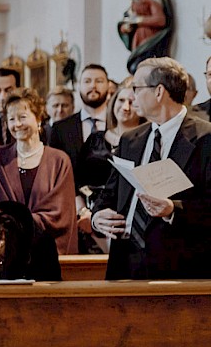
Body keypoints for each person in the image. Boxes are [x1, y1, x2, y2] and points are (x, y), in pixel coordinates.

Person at [91, 57, 211, 280]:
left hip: (179, 267)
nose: (132, 95)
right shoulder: (130, 139)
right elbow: (109, 195)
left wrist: (173, 209)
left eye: (136, 88)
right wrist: (97, 217)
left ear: (158, 92)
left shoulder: (206, 137)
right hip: (125, 263)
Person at [0, 89, 78, 255]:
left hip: (47, 252)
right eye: (11, 119)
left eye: (22, 117)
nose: (17, 124)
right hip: (6, 252)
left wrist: (20, 223)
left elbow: (62, 214)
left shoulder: (59, 160)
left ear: (38, 118)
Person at [76, 78, 146, 247]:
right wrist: (85, 213)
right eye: (121, 100)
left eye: (131, 101)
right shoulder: (95, 138)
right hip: (89, 217)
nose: (125, 107)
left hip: (126, 220)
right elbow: (76, 179)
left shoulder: (146, 142)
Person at [48, 64, 110, 188]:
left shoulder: (119, 124)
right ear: (78, 86)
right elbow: (55, 172)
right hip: (72, 200)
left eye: (99, 81)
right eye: (87, 81)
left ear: (108, 85)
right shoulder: (60, 129)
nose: (93, 85)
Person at [118, 0, 172, 74]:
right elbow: (130, 16)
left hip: (149, 37)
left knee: (146, 69)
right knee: (137, 69)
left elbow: (161, 19)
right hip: (139, 37)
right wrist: (127, 26)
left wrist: (138, 20)